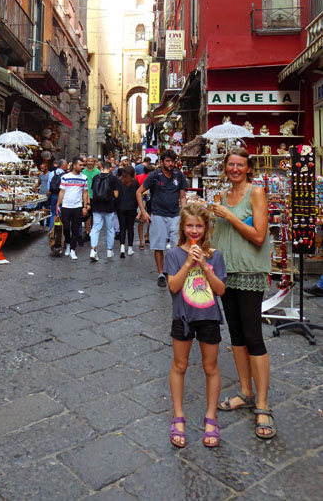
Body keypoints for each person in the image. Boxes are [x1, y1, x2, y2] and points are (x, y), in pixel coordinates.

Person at [212, 148, 275, 440]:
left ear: (248, 169)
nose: (235, 169)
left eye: (240, 165)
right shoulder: (222, 197)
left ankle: (262, 404)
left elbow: (259, 235)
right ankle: (245, 391)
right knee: (235, 335)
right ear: (225, 168)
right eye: (231, 165)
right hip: (228, 274)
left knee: (253, 336)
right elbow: (220, 236)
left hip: (250, 272)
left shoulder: (256, 193)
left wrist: (228, 216)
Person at [164, 203, 226, 448]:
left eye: (198, 226)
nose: (194, 230)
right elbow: (173, 286)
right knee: (180, 365)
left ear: (206, 228)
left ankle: (211, 417)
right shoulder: (174, 255)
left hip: (209, 316)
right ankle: (178, 417)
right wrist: (189, 263)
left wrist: (204, 265)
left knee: (210, 367)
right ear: (182, 227)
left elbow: (220, 289)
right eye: (189, 225)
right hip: (183, 317)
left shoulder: (215, 255)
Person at [137, 149, 188, 287]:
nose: (170, 164)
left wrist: (185, 215)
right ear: (162, 162)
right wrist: (143, 211)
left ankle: (174, 271)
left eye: (172, 161)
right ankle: (161, 273)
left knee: (177, 246)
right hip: (158, 214)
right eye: (167, 161)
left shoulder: (179, 175)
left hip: (175, 215)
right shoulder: (154, 175)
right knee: (158, 246)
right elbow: (139, 192)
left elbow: (182, 196)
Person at [56, 157, 89, 260]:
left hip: (77, 207)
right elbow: (62, 191)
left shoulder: (84, 178)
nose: (82, 167)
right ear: (74, 165)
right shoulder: (65, 177)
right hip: (66, 206)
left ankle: (73, 250)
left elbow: (85, 193)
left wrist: (84, 206)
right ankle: (68, 243)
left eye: (83, 165)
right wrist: (58, 205)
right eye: (80, 165)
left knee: (75, 229)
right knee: (65, 228)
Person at [89, 161, 120, 261]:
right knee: (110, 229)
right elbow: (116, 195)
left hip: (97, 206)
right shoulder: (113, 179)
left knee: (95, 228)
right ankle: (109, 250)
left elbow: (93, 192)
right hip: (109, 207)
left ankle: (93, 249)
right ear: (110, 168)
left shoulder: (95, 177)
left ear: (101, 167)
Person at [116, 165, 139, 258]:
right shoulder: (135, 183)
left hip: (120, 207)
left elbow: (116, 195)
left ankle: (122, 247)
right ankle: (129, 248)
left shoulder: (119, 182)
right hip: (132, 207)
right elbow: (138, 195)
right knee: (130, 228)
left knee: (122, 227)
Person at [82, 155, 100, 241]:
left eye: (91, 161)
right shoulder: (83, 171)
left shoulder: (97, 172)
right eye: (88, 161)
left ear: (94, 162)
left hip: (94, 196)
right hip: (85, 196)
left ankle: (93, 231)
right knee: (86, 215)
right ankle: (87, 232)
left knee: (94, 215)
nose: (89, 162)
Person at [47, 159, 67, 229]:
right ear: (63, 166)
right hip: (61, 197)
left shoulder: (51, 173)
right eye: (66, 165)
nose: (67, 166)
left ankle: (51, 231)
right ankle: (58, 231)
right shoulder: (65, 175)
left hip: (53, 196)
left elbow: (48, 187)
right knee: (60, 214)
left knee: (53, 214)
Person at [35, 162, 50, 227]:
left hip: (47, 195)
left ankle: (48, 224)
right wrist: (35, 187)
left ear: (46, 167)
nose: (41, 169)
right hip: (41, 194)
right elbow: (39, 183)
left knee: (47, 209)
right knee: (39, 209)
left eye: (42, 168)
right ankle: (41, 223)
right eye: (40, 168)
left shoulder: (50, 174)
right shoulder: (41, 175)